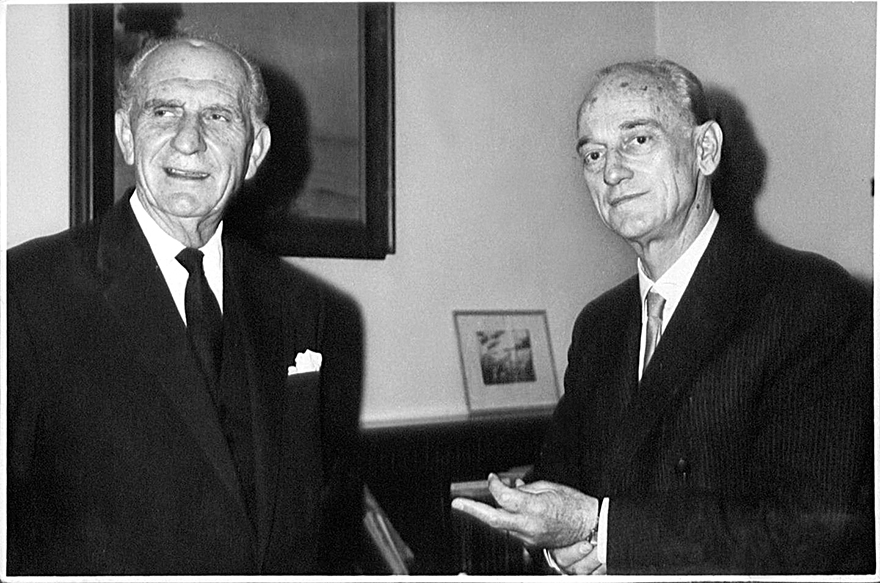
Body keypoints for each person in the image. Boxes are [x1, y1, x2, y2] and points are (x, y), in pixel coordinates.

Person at [452, 59, 874, 575]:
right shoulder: (599, 326)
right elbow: (560, 489)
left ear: (705, 150)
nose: (611, 172)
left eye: (638, 140)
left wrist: (598, 531)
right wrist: (552, 543)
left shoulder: (810, 300)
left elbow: (807, 533)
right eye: (593, 154)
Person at [7, 35, 364, 574]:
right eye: (164, 111)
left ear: (255, 152)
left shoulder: (303, 306)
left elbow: (316, 519)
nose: (189, 140)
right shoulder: (25, 291)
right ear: (126, 135)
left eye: (218, 116)